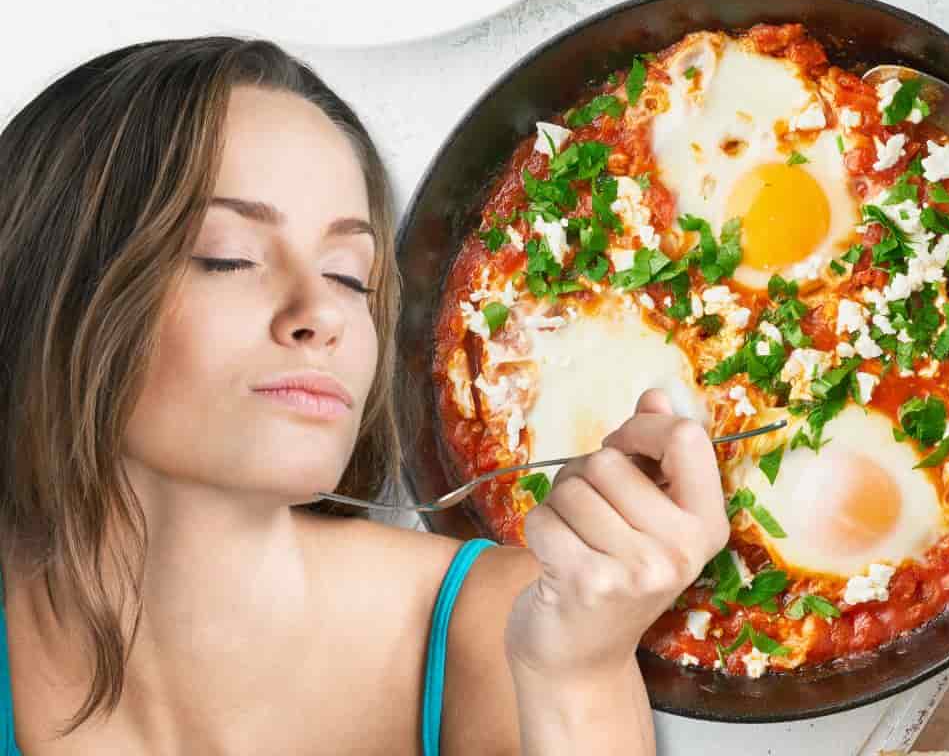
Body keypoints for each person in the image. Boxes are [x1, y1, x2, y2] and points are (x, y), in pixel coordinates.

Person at [0, 38, 729, 755]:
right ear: (52, 289)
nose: (323, 314)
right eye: (230, 257)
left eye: (350, 276)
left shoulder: (515, 628)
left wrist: (575, 675)